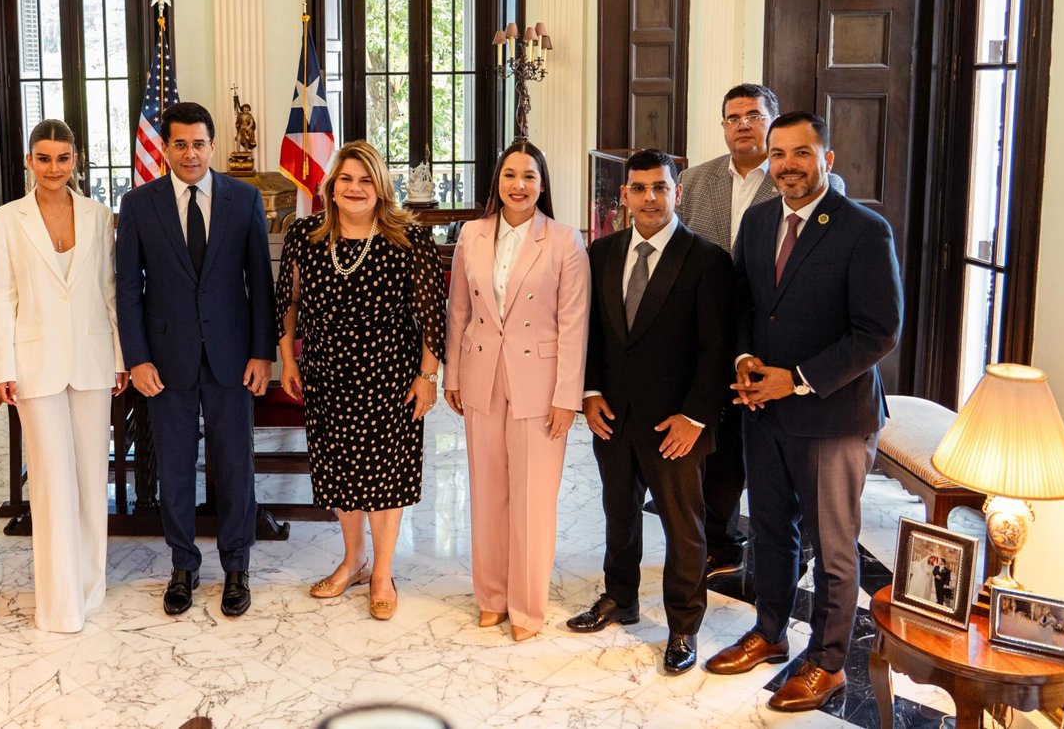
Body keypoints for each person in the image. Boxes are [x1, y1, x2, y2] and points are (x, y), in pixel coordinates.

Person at [704, 112, 901, 714]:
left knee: (833, 548)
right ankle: (770, 632)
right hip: (763, 411)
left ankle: (828, 662)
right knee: (770, 529)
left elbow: (879, 331)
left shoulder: (864, 230)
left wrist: (797, 380)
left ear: (827, 159)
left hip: (834, 417)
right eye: (779, 154)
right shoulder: (759, 220)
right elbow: (744, 302)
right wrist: (744, 359)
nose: (788, 165)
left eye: (801, 153)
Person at [566, 149, 735, 675]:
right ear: (624, 196)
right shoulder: (602, 252)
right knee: (618, 513)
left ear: (676, 192)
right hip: (613, 416)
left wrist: (695, 418)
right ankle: (620, 597)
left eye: (660, 187)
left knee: (684, 528)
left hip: (676, 424)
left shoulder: (707, 259)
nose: (650, 198)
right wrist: (591, 391)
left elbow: (717, 349)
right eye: (639, 188)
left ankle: (683, 623)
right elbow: (593, 332)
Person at [676, 83, 844, 579]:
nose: (743, 125)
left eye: (753, 115)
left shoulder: (811, 182)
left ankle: (798, 546)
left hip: (783, 346)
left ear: (772, 125)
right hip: (713, 338)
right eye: (733, 118)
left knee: (790, 456)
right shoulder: (695, 179)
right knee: (721, 449)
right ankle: (721, 541)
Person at [116, 102, 277, 617]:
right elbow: (128, 290)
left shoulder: (243, 199)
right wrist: (137, 359)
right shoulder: (138, 204)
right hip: (166, 361)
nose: (191, 154)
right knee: (175, 467)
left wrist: (263, 353)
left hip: (233, 357)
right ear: (165, 148)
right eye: (180, 144)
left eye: (199, 144)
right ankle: (183, 565)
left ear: (212, 145)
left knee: (235, 466)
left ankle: (236, 566)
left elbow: (260, 282)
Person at [278, 139, 446, 621]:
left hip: (391, 376)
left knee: (387, 474)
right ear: (332, 186)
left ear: (381, 187)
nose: (355, 188)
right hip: (327, 375)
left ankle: (383, 572)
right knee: (339, 472)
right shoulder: (305, 234)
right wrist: (288, 360)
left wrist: (428, 375)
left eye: (366, 179)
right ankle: (353, 561)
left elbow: (432, 314)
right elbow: (287, 301)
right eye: (346, 179)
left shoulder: (408, 238)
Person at [0, 120, 127, 632]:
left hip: (92, 358)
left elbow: (109, 290)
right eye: (43, 158)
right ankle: (59, 601)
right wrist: (1, 367)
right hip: (33, 363)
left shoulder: (98, 215)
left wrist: (119, 357)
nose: (53, 168)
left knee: (91, 475)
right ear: (29, 161)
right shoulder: (6, 219)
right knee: (50, 479)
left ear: (75, 160)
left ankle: (89, 587)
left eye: (62, 158)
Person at [444, 140, 587, 642]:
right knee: (487, 492)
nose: (518, 185)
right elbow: (458, 311)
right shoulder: (472, 234)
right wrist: (452, 375)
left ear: (542, 185)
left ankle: (527, 607)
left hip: (540, 383)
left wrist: (567, 397)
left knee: (532, 497)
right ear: (497, 181)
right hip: (481, 373)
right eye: (510, 174)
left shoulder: (565, 240)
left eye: (529, 176)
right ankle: (491, 596)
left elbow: (574, 325)